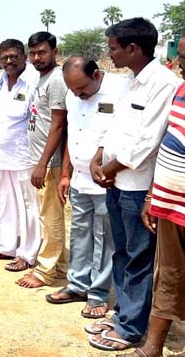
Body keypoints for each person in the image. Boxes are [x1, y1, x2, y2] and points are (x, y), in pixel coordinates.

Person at [87, 18, 181, 352]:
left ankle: (130, 327)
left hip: (138, 184)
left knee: (139, 257)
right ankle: (122, 314)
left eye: (113, 48)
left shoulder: (163, 83)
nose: (109, 54)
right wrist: (99, 159)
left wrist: (109, 167)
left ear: (132, 48)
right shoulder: (131, 81)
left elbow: (147, 140)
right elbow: (116, 126)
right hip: (115, 180)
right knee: (122, 253)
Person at [46, 56, 126, 318]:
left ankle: (98, 294)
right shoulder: (73, 96)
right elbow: (72, 134)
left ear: (96, 75)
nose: (78, 94)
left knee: (104, 238)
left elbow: (123, 135)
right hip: (79, 178)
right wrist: (66, 173)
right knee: (79, 233)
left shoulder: (119, 90)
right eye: (72, 89)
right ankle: (77, 285)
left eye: (82, 88)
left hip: (105, 180)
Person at [124, 77, 185, 357]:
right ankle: (152, 348)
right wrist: (152, 196)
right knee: (168, 274)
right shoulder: (182, 89)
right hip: (170, 203)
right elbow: (168, 142)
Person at [0, 39, 41, 272]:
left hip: (24, 155)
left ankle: (28, 253)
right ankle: (5, 246)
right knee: (3, 201)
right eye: (4, 57)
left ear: (24, 57)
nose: (8, 61)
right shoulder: (1, 81)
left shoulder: (32, 81)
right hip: (1, 153)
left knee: (28, 206)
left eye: (14, 56)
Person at [16, 31, 69, 289]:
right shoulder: (41, 79)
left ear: (54, 52)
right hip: (40, 159)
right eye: (33, 53)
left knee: (51, 217)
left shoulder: (57, 80)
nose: (37, 57)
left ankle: (46, 271)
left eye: (42, 52)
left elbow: (58, 126)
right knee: (49, 215)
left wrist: (43, 163)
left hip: (51, 162)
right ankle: (60, 266)